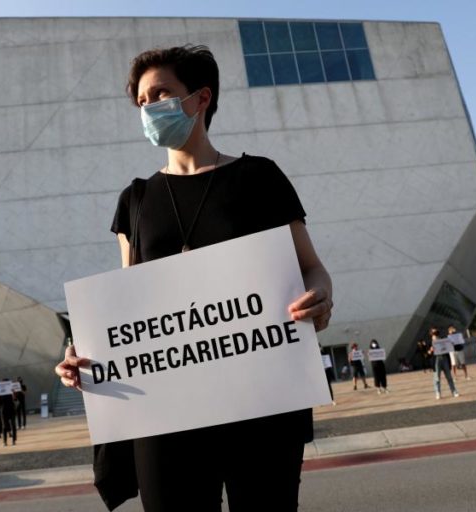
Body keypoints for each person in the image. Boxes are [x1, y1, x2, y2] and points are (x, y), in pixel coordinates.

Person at [55, 45, 333, 512]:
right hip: (168, 416)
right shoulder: (136, 201)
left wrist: (320, 296)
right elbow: (127, 302)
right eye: (141, 101)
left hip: (262, 404)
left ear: (201, 98)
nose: (149, 108)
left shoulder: (258, 177)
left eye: (160, 93)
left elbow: (311, 266)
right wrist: (83, 354)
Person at [429, 328, 459, 399]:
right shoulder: (429, 342)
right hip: (436, 359)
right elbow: (428, 353)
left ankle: (454, 391)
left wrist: (450, 344)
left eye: (436, 332)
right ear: (431, 334)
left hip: (444, 358)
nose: (435, 334)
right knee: (437, 378)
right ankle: (438, 392)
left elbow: (450, 346)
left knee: (449, 377)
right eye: (433, 333)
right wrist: (430, 350)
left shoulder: (443, 340)